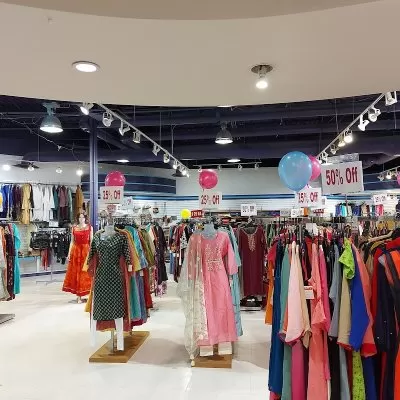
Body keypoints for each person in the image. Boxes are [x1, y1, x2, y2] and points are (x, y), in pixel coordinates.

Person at [62, 212, 93, 303]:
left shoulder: (89, 227)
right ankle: (78, 296)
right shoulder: (74, 228)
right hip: (76, 252)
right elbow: (72, 241)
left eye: (83, 217)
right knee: (76, 272)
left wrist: (92, 253)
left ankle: (88, 295)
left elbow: (91, 241)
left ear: (85, 218)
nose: (81, 219)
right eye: (79, 217)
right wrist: (69, 253)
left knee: (86, 272)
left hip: (86, 251)